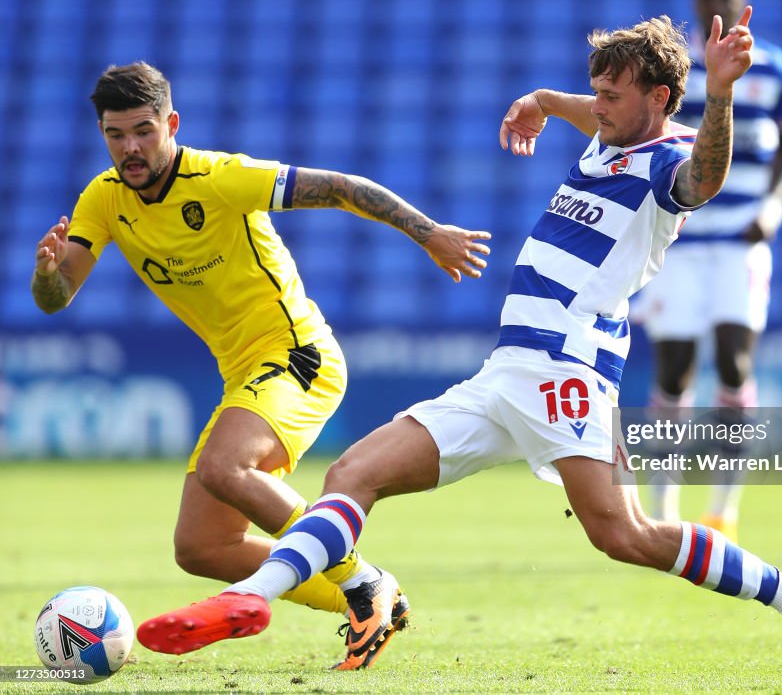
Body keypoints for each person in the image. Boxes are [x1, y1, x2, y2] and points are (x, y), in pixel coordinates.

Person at [136, 13, 782, 688]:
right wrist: (543, 99)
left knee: (625, 535)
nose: (597, 104)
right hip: (505, 373)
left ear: (662, 98)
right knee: (353, 472)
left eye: (610, 94)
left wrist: (723, 96)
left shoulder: (666, 163)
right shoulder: (609, 137)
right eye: (595, 92)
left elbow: (707, 174)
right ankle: (248, 600)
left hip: (567, 372)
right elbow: (587, 109)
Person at [31, 62, 491, 670]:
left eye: (143, 130)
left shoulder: (221, 178)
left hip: (298, 355)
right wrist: (45, 276)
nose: (131, 148)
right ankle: (367, 596)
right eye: (116, 135)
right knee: (202, 547)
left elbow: (344, 187)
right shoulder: (105, 198)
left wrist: (429, 233)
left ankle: (361, 582)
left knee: (226, 466)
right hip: (242, 372)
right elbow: (60, 295)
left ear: (171, 123)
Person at [634, 0, 782, 539]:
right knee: (675, 371)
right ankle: (664, 507)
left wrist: (775, 202)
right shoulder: (677, 74)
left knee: (736, 361)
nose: (717, 4)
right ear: (696, 0)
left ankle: (724, 505)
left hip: (740, 245)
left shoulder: (774, 68)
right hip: (680, 244)